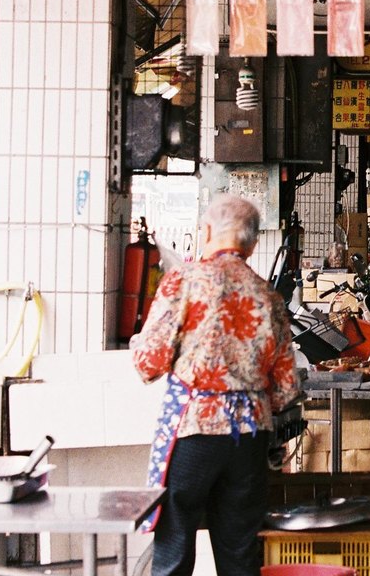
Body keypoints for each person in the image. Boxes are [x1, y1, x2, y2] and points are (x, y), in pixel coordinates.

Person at [130, 194, 298, 576]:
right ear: (252, 244)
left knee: (174, 547)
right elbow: (286, 388)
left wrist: (139, 344)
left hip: (195, 433)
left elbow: (149, 362)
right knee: (239, 553)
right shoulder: (269, 297)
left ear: (205, 232)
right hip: (251, 435)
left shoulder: (184, 281)